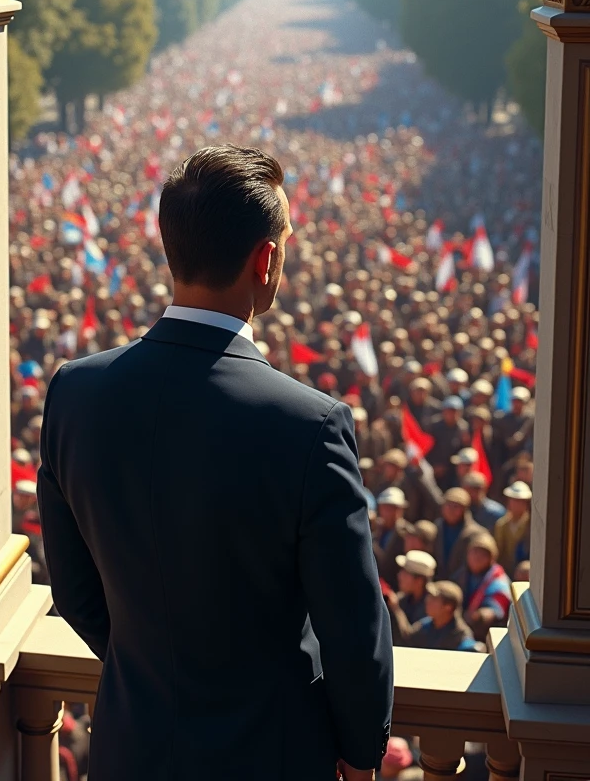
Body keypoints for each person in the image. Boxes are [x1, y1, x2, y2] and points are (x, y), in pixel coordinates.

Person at [39, 146, 393, 781]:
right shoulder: (312, 426)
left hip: (129, 748)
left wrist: (153, 674)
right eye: (285, 239)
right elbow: (353, 629)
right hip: (273, 755)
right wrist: (362, 756)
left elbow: (75, 594)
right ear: (266, 260)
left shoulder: (73, 393)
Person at [453, 534, 512, 642]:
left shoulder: (498, 580)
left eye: (483, 554)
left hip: (485, 635)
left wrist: (482, 615)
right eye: (474, 552)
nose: (477, 557)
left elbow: (497, 608)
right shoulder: (462, 574)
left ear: (491, 558)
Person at [395, 580, 477, 652]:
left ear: (448, 607)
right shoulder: (425, 625)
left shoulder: (461, 637)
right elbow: (408, 640)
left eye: (434, 599)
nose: (427, 600)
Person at [386, 549, 437, 644]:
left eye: (405, 573)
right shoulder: (402, 599)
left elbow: (412, 639)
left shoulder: (434, 605)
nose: (399, 576)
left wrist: (396, 610)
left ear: (419, 581)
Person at [433, 488, 486, 580]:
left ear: (464, 510)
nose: (451, 510)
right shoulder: (437, 527)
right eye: (448, 505)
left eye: (456, 507)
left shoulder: (476, 534)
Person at [373, 487, 410, 592]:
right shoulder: (375, 529)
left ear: (401, 510)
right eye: (384, 507)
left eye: (392, 508)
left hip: (396, 589)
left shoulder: (407, 534)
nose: (387, 512)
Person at [495, 480, 532, 577]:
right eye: (514, 500)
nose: (517, 504)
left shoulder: (531, 525)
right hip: (506, 572)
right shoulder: (501, 525)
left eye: (520, 501)